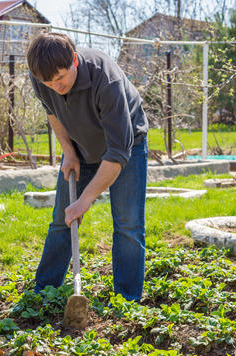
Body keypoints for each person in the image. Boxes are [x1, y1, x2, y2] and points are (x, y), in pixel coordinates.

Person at [27, 32, 149, 302]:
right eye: (47, 81)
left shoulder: (106, 80)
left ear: (74, 60)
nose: (54, 85)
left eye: (60, 78)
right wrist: (69, 153)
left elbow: (118, 153)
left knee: (128, 224)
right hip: (80, 147)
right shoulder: (41, 76)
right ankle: (44, 291)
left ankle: (127, 299)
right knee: (62, 218)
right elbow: (52, 113)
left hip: (125, 146)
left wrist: (85, 200)